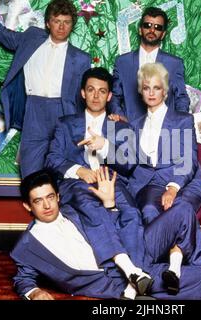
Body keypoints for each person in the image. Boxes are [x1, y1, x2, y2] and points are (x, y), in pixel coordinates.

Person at [11, 168, 201, 300]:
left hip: (134, 251)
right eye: (39, 201)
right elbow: (23, 278)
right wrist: (33, 292)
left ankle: (177, 268)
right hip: (118, 281)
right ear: (28, 206)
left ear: (57, 196)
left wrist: (108, 205)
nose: (47, 205)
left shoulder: (76, 213)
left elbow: (113, 228)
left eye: (50, 197)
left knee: (184, 210)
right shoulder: (29, 245)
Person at [45, 67, 151, 295]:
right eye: (91, 90)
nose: (96, 96)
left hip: (113, 182)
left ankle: (131, 290)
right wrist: (79, 171)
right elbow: (51, 159)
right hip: (77, 185)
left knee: (132, 214)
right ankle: (130, 269)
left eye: (102, 91)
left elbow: (129, 163)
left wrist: (104, 145)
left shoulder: (121, 126)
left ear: (109, 96)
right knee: (92, 207)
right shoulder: (65, 124)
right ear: (83, 92)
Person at [0, 0, 91, 177]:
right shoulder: (31, 38)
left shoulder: (82, 58)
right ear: (47, 23)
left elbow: (88, 94)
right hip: (33, 110)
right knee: (30, 168)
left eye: (66, 22)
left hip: (63, 112)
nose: (61, 27)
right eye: (56, 21)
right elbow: (1, 33)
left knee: (63, 168)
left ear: (72, 25)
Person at [108, 62, 201, 294]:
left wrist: (172, 188)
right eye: (146, 88)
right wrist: (118, 129)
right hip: (149, 184)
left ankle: (175, 268)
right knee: (151, 210)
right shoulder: (135, 124)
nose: (151, 92)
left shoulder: (182, 119)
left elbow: (188, 161)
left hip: (182, 181)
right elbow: (125, 160)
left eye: (157, 88)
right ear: (141, 92)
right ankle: (159, 272)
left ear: (165, 91)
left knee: (180, 208)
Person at [109, 6, 190, 122]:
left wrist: (176, 123)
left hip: (164, 131)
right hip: (129, 129)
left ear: (163, 34)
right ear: (140, 30)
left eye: (157, 27)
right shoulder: (122, 62)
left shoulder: (174, 64)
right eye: (147, 25)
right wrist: (121, 119)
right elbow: (115, 97)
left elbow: (181, 98)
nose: (152, 30)